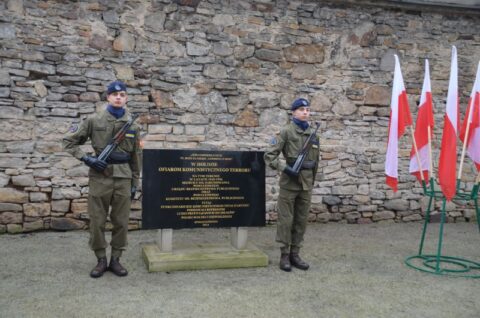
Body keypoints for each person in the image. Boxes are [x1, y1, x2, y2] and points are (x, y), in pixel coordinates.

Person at [63, 80, 141, 278]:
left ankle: (115, 259)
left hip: (123, 178)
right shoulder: (93, 120)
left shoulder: (133, 124)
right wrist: (87, 159)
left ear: (126, 98)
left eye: (122, 94)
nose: (118, 97)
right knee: (97, 221)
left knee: (121, 222)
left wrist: (135, 183)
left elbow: (136, 157)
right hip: (100, 178)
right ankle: (100, 259)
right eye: (114, 94)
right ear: (108, 97)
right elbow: (68, 142)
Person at [264, 98, 320, 272]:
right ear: (294, 112)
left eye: (308, 109)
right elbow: (269, 156)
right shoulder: (286, 132)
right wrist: (286, 169)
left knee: (301, 220)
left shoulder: (313, 134)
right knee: (285, 221)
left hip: (306, 184)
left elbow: (315, 161)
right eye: (302, 109)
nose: (305, 112)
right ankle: (284, 255)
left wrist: (312, 180)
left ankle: (296, 254)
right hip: (290, 183)